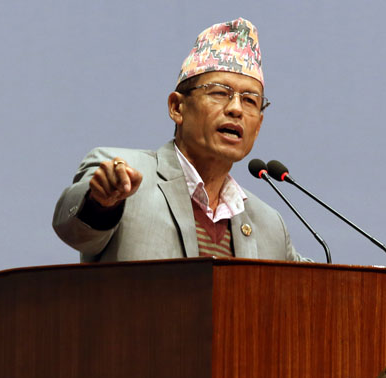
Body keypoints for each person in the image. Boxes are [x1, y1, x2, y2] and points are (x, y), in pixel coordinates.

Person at [53, 18, 305, 262]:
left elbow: (311, 290)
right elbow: (74, 231)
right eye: (220, 92)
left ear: (258, 126)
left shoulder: (270, 224)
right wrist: (101, 203)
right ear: (177, 107)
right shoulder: (122, 175)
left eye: (250, 100)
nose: (236, 109)